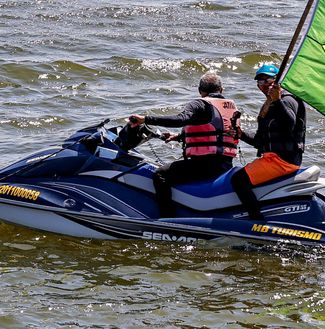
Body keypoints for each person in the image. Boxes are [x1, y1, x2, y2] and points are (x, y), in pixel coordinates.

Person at [119, 72, 241, 218]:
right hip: (225, 164)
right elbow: (217, 129)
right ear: (221, 90)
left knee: (160, 175)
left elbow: (181, 119)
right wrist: (179, 136)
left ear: (200, 90)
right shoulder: (230, 107)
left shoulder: (199, 103)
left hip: (205, 166)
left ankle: (166, 218)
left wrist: (145, 119)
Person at [231, 64, 307, 220]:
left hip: (283, 160)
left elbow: (289, 124)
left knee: (238, 180)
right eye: (260, 82)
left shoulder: (287, 100)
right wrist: (241, 134)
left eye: (269, 80)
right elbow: (260, 142)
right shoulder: (268, 106)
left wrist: (278, 100)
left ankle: (256, 221)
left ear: (277, 81)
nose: (265, 85)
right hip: (272, 159)